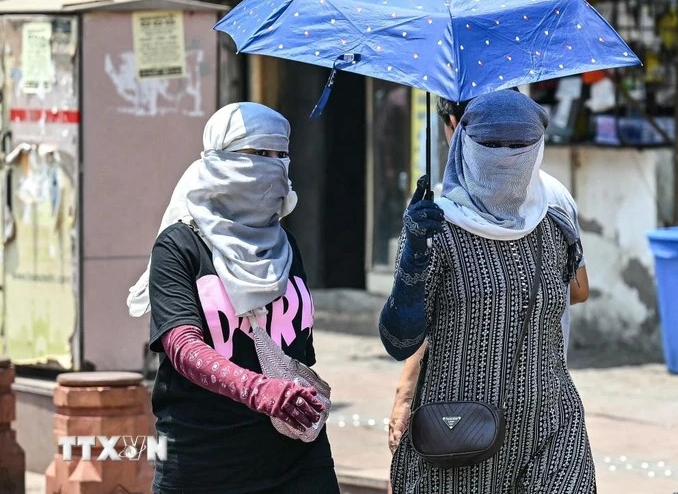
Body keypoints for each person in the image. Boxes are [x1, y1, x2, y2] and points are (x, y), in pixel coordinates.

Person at [380, 90, 596, 492]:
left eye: (519, 145)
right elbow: (399, 339)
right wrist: (411, 259)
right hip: (460, 433)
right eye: (491, 144)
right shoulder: (437, 230)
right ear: (463, 142)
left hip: (552, 427)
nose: (505, 155)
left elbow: (577, 291)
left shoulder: (553, 228)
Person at [133, 103, 340, 494]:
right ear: (219, 158)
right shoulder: (180, 247)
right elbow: (181, 345)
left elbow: (298, 349)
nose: (275, 166)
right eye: (260, 154)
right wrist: (258, 390)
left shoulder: (286, 246)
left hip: (296, 456)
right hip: (204, 462)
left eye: (282, 154)